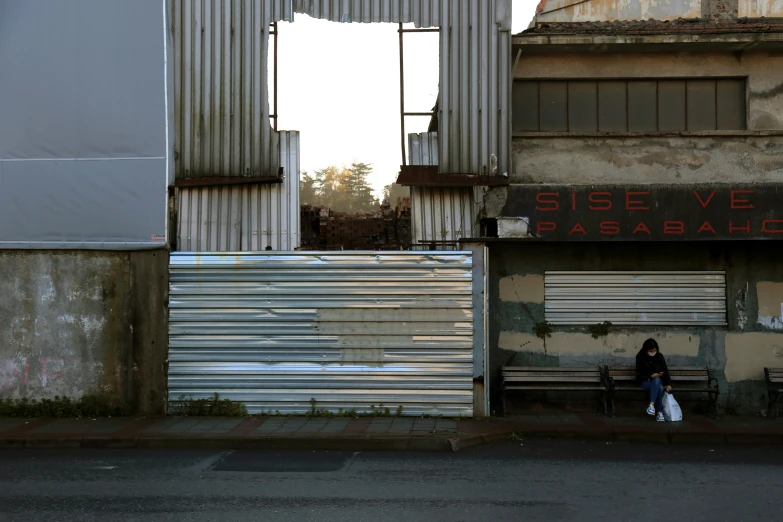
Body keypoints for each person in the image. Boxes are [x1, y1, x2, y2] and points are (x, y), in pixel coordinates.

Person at [636, 338, 672, 422]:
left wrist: (669, 384)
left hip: (658, 381)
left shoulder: (659, 356)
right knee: (658, 386)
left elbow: (665, 371)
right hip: (645, 382)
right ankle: (659, 413)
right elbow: (639, 375)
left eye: (654, 350)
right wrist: (651, 376)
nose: (653, 352)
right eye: (651, 351)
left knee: (657, 382)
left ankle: (651, 406)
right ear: (646, 350)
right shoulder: (640, 357)